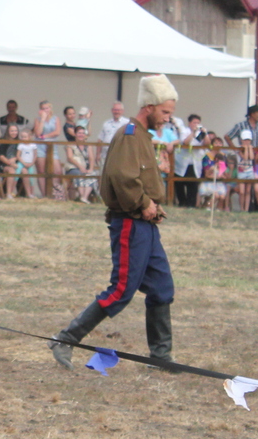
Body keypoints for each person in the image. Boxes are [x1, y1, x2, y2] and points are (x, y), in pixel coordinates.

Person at [50, 74, 180, 369]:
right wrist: (144, 202)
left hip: (147, 226)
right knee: (121, 291)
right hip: (130, 224)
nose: (168, 119)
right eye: (165, 112)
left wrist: (154, 190)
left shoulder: (144, 138)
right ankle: (65, 339)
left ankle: (161, 357)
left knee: (162, 288)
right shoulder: (130, 135)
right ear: (149, 106)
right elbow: (122, 177)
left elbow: (139, 175)